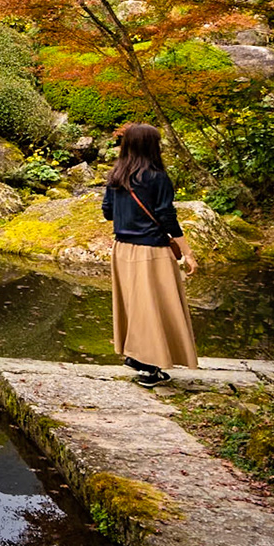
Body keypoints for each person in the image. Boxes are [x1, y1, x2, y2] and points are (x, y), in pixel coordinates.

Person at [101, 123, 199, 386]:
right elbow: (167, 217)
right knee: (155, 307)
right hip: (151, 251)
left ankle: (136, 357)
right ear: (150, 146)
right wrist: (188, 253)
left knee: (136, 306)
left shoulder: (115, 176)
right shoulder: (157, 177)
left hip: (122, 250)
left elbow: (107, 212)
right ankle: (148, 367)